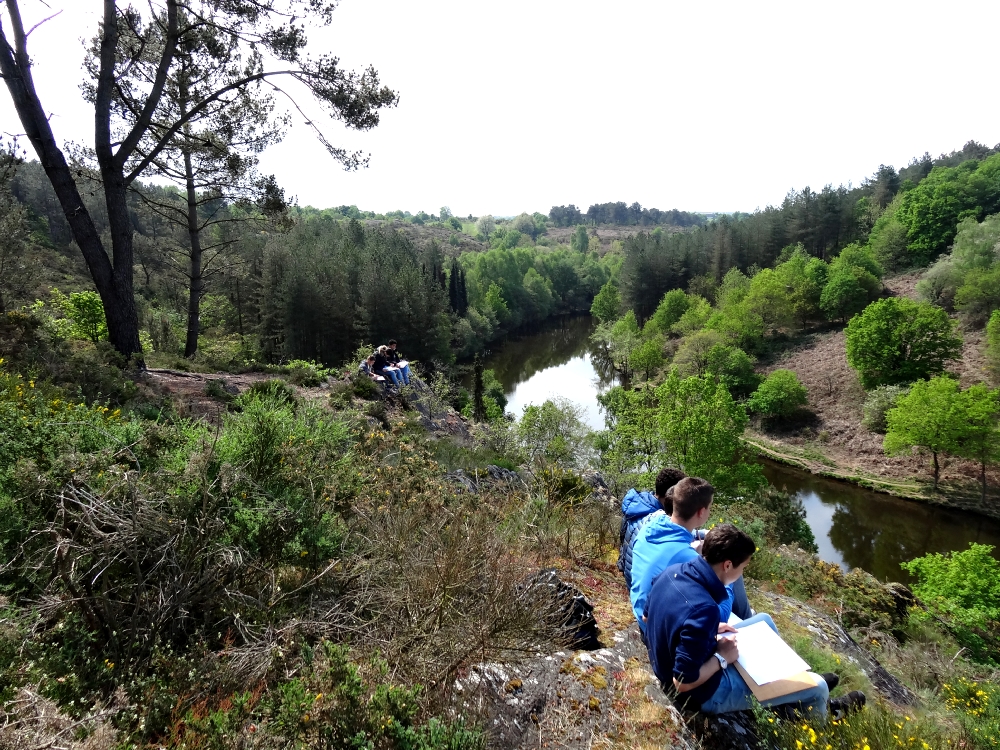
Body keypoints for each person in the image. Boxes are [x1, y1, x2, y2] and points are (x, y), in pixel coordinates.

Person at [645, 523, 864, 719]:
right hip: (701, 694)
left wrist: (706, 631)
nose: (742, 574)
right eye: (743, 568)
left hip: (683, 656)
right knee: (819, 688)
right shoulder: (704, 609)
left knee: (764, 621)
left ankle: (788, 690)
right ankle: (825, 712)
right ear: (728, 565)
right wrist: (722, 657)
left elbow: (648, 615)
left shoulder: (673, 571)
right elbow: (682, 683)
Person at [630, 478, 751, 633]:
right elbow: (716, 617)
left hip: (642, 613)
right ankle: (747, 623)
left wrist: (702, 536)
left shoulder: (652, 525)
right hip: (658, 630)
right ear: (701, 512)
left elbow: (679, 532)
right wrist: (727, 581)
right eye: (710, 507)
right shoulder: (688, 559)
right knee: (733, 568)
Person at [618, 468, 686, 589]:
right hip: (641, 583)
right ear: (671, 495)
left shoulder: (639, 505)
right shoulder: (656, 521)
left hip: (629, 574)